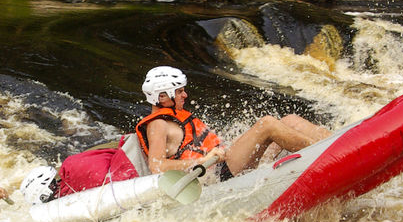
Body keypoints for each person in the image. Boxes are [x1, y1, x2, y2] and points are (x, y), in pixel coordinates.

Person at [135, 65, 331, 179]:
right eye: (179, 92)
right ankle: (329, 157)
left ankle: (338, 141)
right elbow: (157, 166)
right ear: (161, 97)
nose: (185, 95)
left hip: (227, 164)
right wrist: (202, 161)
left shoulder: (173, 116)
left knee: (290, 120)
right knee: (267, 124)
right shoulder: (157, 124)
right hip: (219, 176)